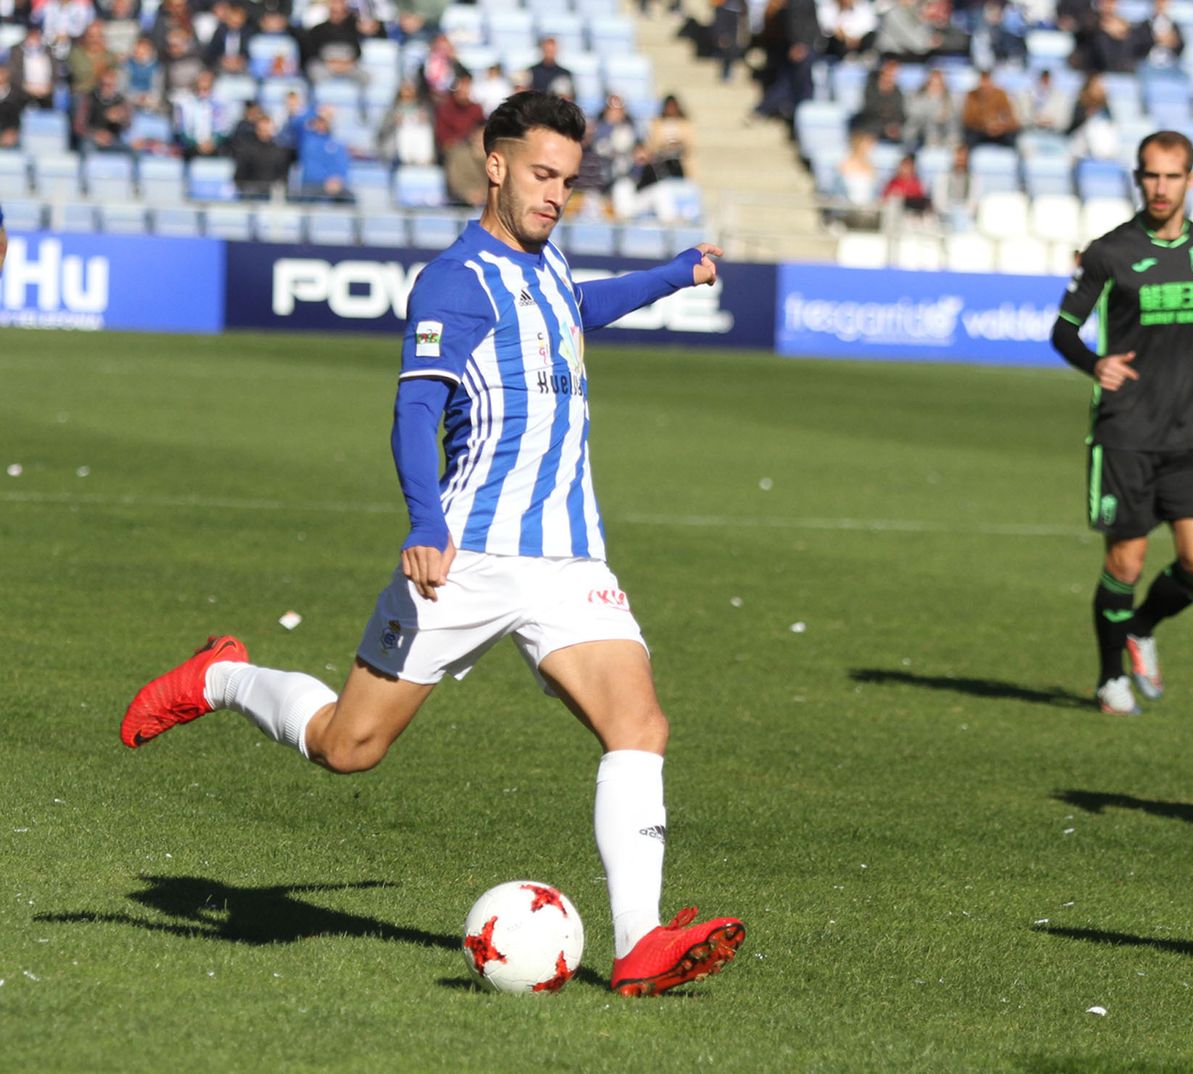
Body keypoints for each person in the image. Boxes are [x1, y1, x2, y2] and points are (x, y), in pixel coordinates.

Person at [119, 90, 746, 997]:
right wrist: (425, 521)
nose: (554, 195)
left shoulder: (546, 266)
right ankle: (220, 675)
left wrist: (674, 274)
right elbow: (417, 408)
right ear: (494, 164)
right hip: (468, 555)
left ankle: (642, 939)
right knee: (348, 746)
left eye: (567, 181)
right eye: (540, 175)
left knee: (638, 725)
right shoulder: (456, 280)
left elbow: (578, 306)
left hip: (570, 556)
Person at [1050, 130, 1193, 715]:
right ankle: (1108, 678)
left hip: (1190, 431)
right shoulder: (1109, 252)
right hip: (1125, 432)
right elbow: (1063, 329)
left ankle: (1140, 627)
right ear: (1138, 179)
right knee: (1127, 562)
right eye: (1150, 175)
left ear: (1191, 181)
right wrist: (1095, 363)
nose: (1160, 187)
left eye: (1172, 176)